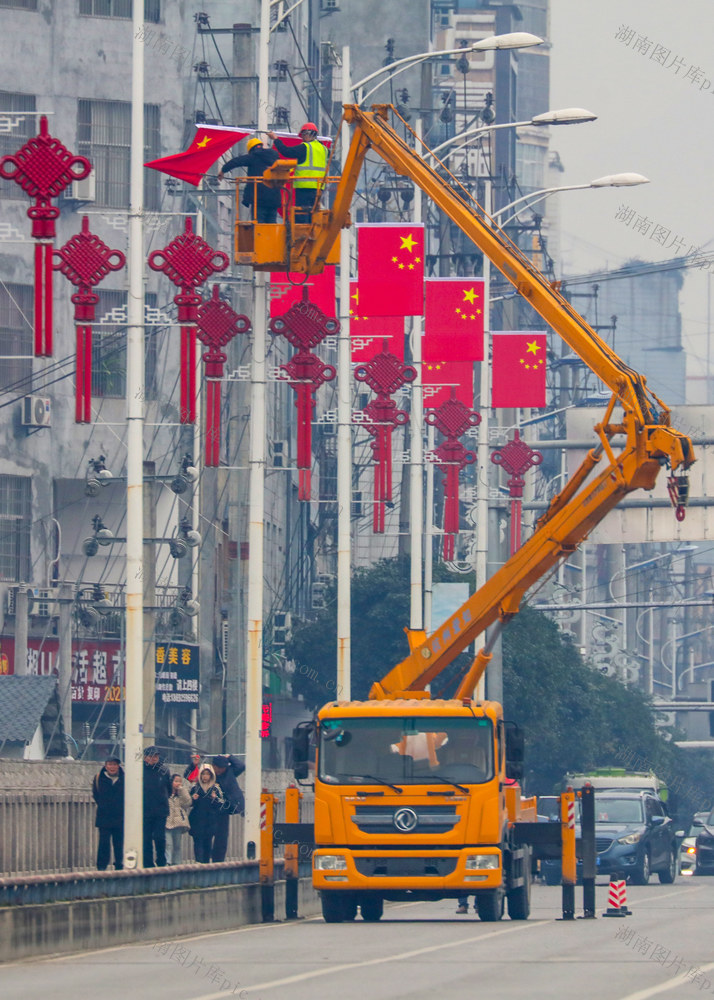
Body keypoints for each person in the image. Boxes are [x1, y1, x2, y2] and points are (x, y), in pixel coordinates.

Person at [267, 122, 329, 222]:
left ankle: (303, 235)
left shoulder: (305, 147)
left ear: (308, 134)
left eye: (303, 135)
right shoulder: (324, 149)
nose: (303, 138)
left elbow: (286, 151)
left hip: (304, 187)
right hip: (318, 188)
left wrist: (275, 139)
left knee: (302, 215)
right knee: (313, 215)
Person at [218, 136, 281, 223]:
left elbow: (236, 161)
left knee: (258, 226)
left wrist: (223, 170)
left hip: (259, 198)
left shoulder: (253, 156)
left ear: (251, 149)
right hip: (274, 197)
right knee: (272, 226)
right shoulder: (274, 156)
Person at [211, 754, 246, 862]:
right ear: (214, 766)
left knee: (222, 836)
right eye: (219, 767)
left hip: (225, 808)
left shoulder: (229, 772)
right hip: (212, 808)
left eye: (223, 768)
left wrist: (230, 757)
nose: (221, 770)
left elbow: (241, 766)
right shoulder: (209, 775)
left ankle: (219, 860)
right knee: (209, 834)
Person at [92, 756, 125, 871]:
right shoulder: (98, 778)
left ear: (118, 766)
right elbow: (96, 795)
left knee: (119, 844)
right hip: (104, 818)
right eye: (110, 764)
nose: (112, 767)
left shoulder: (124, 779)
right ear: (106, 766)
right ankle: (101, 868)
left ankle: (119, 866)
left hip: (120, 818)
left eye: (114, 764)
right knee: (103, 844)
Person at [189, 764, 226, 863]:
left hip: (210, 821)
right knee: (197, 842)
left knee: (207, 843)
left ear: (211, 776)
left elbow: (222, 804)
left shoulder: (216, 788)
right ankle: (198, 862)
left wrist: (215, 799)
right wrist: (193, 799)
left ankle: (206, 863)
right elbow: (188, 802)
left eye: (207, 774)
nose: (205, 776)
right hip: (197, 820)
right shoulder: (195, 787)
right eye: (203, 774)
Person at [142, 745, 171, 868]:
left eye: (156, 756)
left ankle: (161, 861)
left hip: (160, 811)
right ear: (144, 757)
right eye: (150, 756)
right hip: (145, 811)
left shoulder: (164, 771)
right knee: (146, 839)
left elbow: (168, 790)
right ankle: (147, 863)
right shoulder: (139, 770)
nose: (153, 758)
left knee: (160, 837)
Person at [165, 774, 192, 865]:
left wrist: (181, 790)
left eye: (179, 781)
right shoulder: (166, 793)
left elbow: (187, 802)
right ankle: (168, 862)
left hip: (178, 823)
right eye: (176, 781)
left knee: (177, 845)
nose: (178, 783)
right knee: (168, 844)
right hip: (167, 822)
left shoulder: (180, 794)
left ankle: (177, 863)